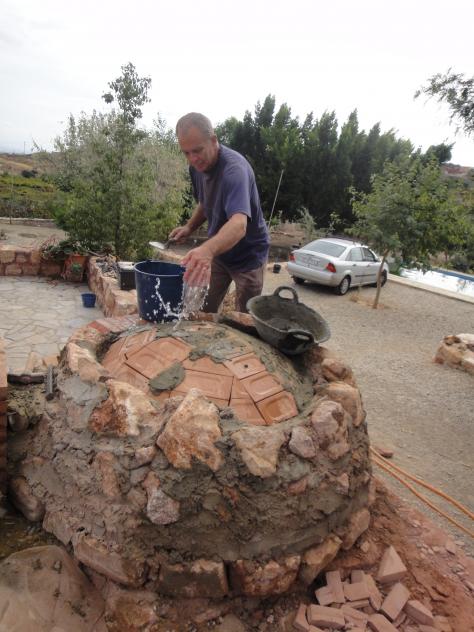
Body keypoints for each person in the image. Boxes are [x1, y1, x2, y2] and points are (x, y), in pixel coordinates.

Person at [169, 112, 269, 313]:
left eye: (197, 150)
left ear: (214, 140)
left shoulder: (234, 170)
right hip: (219, 253)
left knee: (244, 318)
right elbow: (205, 202)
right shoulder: (196, 168)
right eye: (186, 153)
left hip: (248, 256)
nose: (193, 159)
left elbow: (239, 225)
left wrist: (206, 250)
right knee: (203, 309)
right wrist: (189, 227)